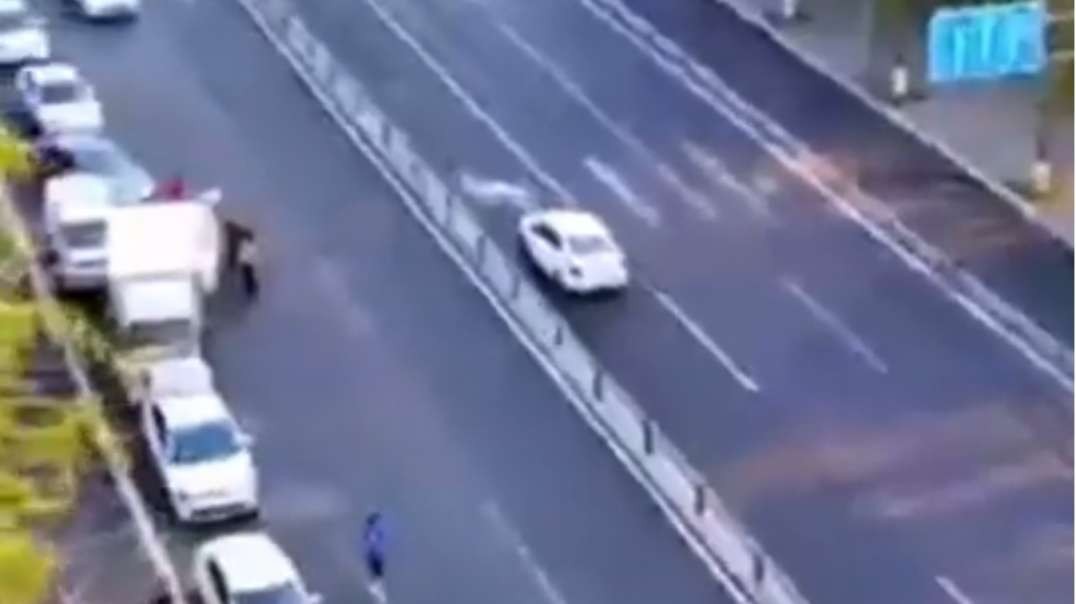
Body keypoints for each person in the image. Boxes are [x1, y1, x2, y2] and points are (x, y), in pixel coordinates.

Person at [362, 511, 387, 583]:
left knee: (377, 567)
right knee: (375, 567)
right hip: (373, 553)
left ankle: (377, 581)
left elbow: (378, 536)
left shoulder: (372, 530)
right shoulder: (370, 530)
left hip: (375, 553)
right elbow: (368, 538)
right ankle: (375, 581)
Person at [237, 228, 259, 298]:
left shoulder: (246, 243)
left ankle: (251, 290)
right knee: (249, 276)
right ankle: (251, 289)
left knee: (248, 276)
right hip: (247, 263)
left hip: (247, 263)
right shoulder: (248, 243)